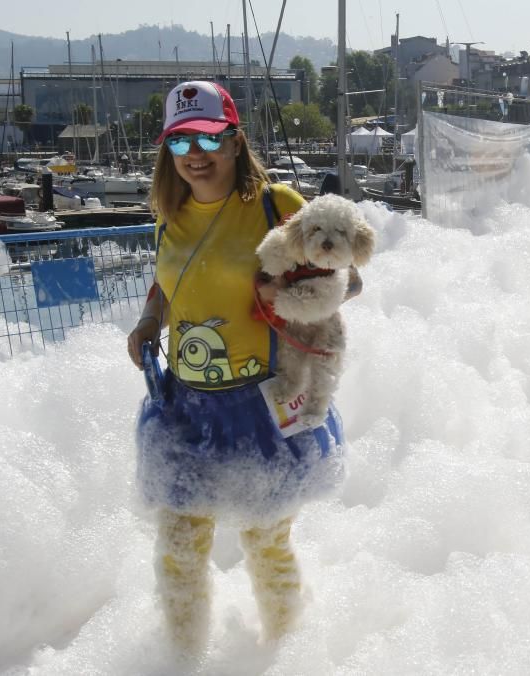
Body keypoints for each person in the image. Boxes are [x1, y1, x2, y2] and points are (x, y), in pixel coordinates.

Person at [126, 80, 356, 654]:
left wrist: (286, 294)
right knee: (178, 546)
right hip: (186, 403)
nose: (195, 155)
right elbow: (167, 282)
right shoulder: (169, 214)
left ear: (235, 140)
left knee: (266, 543)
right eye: (180, 143)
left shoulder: (278, 205)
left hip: (261, 405)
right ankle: (182, 661)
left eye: (208, 137)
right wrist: (149, 321)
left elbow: (348, 280)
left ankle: (285, 654)